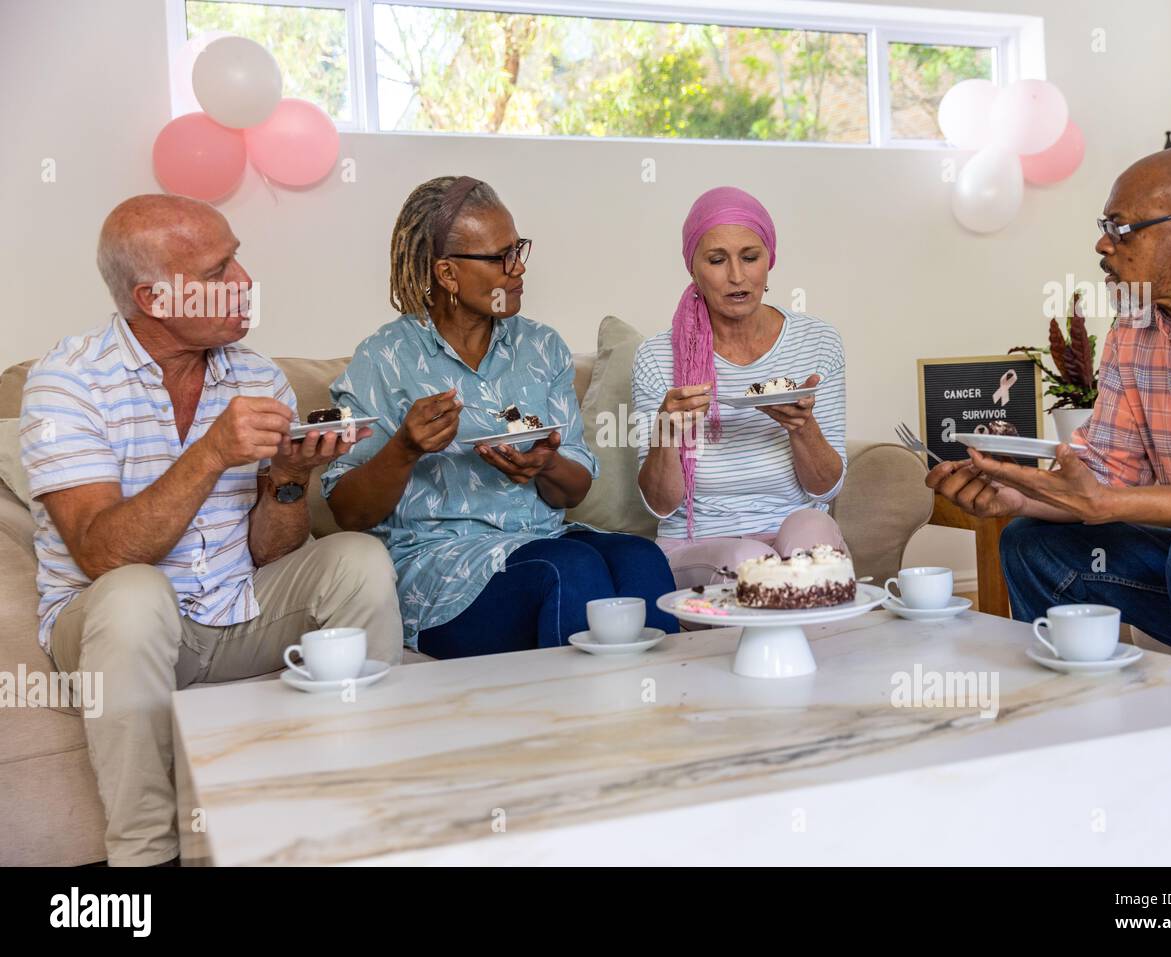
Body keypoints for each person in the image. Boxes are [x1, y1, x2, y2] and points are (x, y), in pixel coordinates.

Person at [20, 194, 402, 866]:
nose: (247, 284)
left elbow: (272, 549)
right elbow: (101, 552)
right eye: (219, 272)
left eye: (238, 259)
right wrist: (212, 451)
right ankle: (144, 857)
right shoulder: (66, 381)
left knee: (357, 558)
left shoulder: (257, 376)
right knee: (137, 594)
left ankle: (365, 811)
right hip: (115, 626)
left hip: (233, 609)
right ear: (154, 297)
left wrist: (287, 477)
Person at [927, 146, 1171, 681]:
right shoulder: (1135, 324)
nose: (1102, 244)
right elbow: (1108, 469)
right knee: (1033, 541)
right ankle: (1077, 722)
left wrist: (1108, 502)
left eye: (1121, 228)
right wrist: (1016, 494)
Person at [322, 176, 677, 658]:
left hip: (541, 540)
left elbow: (574, 489)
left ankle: (663, 720)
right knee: (569, 569)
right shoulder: (383, 359)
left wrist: (546, 464)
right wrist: (404, 449)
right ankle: (574, 730)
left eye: (519, 250)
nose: (518, 269)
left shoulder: (541, 347)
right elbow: (348, 511)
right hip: (440, 570)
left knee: (641, 559)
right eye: (500, 258)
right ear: (447, 274)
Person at [633, 186, 849, 587]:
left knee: (813, 532)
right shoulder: (656, 356)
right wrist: (666, 431)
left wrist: (803, 427)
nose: (737, 276)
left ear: (770, 259)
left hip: (788, 529)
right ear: (692, 267)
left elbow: (827, 486)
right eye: (717, 260)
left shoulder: (818, 341)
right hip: (696, 543)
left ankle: (816, 643)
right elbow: (661, 507)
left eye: (750, 257)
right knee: (752, 560)